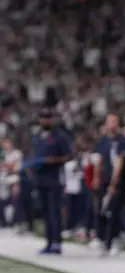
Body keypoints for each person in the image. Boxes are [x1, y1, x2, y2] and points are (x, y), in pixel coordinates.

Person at [27, 108, 73, 254]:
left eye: (48, 118)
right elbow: (34, 153)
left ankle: (57, 243)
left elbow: (69, 156)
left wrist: (53, 160)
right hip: (40, 178)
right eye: (42, 117)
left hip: (54, 178)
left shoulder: (60, 136)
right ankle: (48, 241)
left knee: (55, 211)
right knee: (45, 211)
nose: (45, 120)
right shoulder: (37, 136)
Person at [94, 113, 125, 256]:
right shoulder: (103, 141)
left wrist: (114, 182)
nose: (112, 124)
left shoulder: (122, 140)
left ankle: (112, 240)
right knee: (102, 209)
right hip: (104, 179)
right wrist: (96, 177)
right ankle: (102, 238)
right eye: (110, 121)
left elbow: (120, 162)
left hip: (118, 181)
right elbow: (99, 159)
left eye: (115, 121)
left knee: (113, 210)